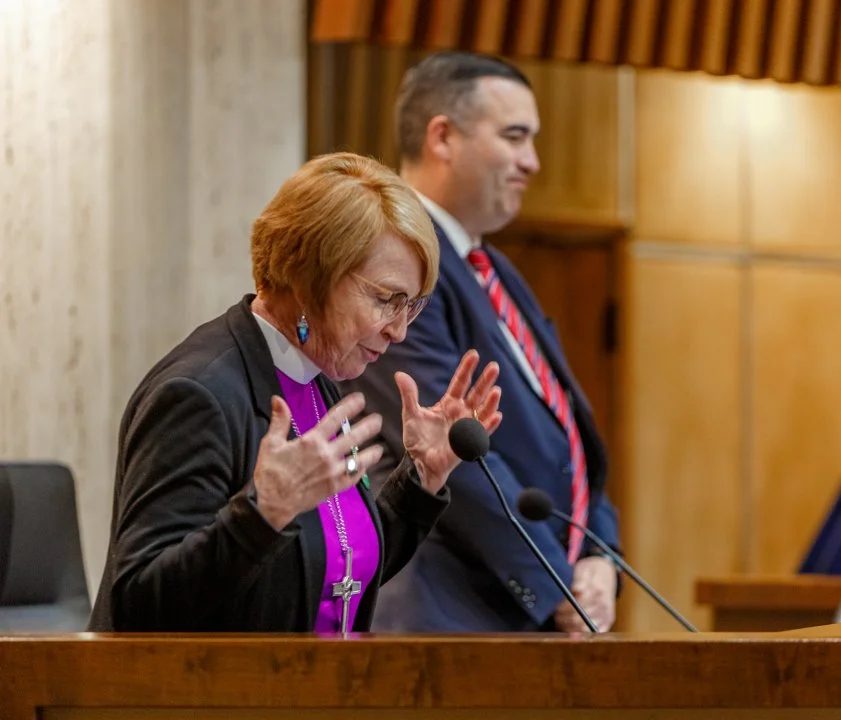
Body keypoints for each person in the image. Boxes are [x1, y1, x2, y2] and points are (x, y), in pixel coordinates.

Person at [88, 152, 502, 632]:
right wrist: (262, 513)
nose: (399, 331)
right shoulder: (198, 394)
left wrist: (421, 480)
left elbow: (331, 577)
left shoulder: (314, 378)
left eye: (410, 305)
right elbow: (138, 604)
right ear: (309, 276)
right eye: (385, 300)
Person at [339, 52, 621, 632]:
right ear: (443, 136)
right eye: (515, 137)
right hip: (449, 612)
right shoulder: (395, 262)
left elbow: (565, 433)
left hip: (515, 610)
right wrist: (556, 582)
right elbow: (454, 448)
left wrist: (600, 554)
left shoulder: (489, 266)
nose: (532, 161)